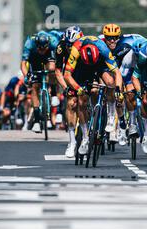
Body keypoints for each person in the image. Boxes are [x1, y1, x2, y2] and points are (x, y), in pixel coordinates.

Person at [64, 35, 124, 156]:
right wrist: (78, 88)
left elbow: (117, 72)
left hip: (99, 64)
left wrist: (118, 89)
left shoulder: (104, 49)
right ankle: (81, 139)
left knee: (110, 83)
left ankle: (111, 114)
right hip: (81, 68)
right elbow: (67, 75)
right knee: (78, 102)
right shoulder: (76, 49)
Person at [54, 26, 84, 157]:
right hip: (70, 74)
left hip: (85, 72)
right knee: (71, 104)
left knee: (89, 97)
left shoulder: (86, 45)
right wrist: (66, 88)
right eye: (68, 45)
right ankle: (72, 142)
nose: (71, 47)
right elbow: (58, 71)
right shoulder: (61, 47)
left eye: (73, 45)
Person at [21, 31, 58, 133]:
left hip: (49, 57)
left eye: (44, 48)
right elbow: (23, 64)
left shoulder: (53, 42)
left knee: (52, 68)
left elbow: (59, 60)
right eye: (39, 48)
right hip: (35, 58)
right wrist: (26, 76)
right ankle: (37, 121)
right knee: (35, 86)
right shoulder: (29, 44)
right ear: (36, 45)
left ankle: (53, 93)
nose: (42, 50)